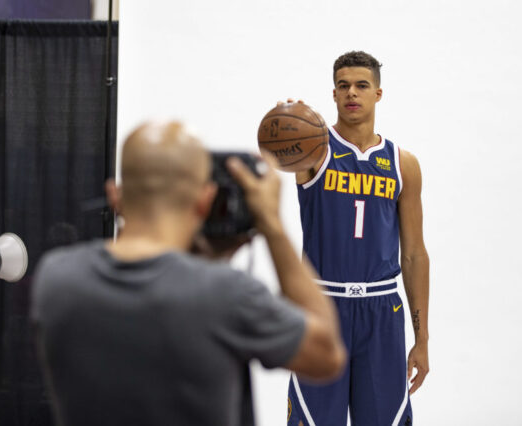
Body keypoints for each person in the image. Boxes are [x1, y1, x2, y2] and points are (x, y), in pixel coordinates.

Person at [32, 121, 347, 426]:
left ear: (115, 196)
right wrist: (272, 226)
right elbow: (326, 355)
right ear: (204, 200)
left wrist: (209, 258)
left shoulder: (56, 278)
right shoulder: (227, 294)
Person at [286, 51, 430, 426]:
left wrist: (422, 339)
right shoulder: (312, 149)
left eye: (361, 85)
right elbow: (278, 152)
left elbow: (414, 254)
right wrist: (288, 125)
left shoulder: (403, 163)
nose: (352, 93)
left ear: (378, 93)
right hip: (322, 307)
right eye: (343, 86)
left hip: (382, 310)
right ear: (333, 94)